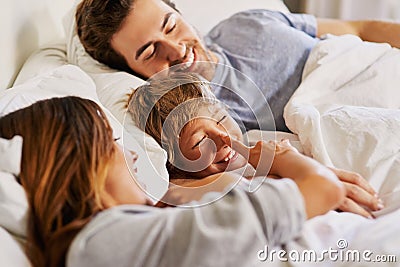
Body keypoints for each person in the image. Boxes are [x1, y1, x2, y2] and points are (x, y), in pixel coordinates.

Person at [0, 96, 344, 267]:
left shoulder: (126, 234)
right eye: (110, 142)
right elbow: (324, 190)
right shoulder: (101, 243)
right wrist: (286, 160)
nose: (131, 156)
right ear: (78, 162)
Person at [75, 0, 400, 132]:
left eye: (171, 26)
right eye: (149, 52)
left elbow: (360, 30)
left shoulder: (247, 23)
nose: (175, 49)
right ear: (133, 73)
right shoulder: (203, 117)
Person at [128, 72, 384, 218]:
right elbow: (274, 199)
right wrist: (285, 162)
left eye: (221, 119)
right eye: (201, 141)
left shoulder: (255, 144)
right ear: (174, 163)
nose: (224, 138)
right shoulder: (191, 187)